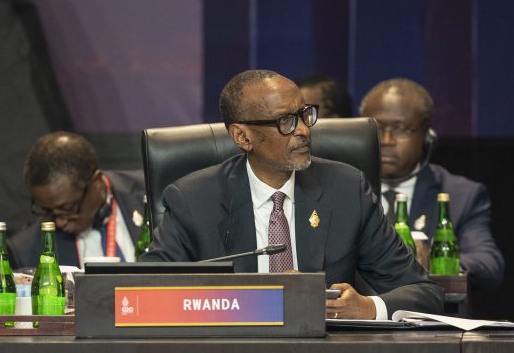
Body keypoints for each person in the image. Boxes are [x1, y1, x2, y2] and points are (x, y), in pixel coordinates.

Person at [142, 69, 443, 319]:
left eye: (304, 114)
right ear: (242, 136)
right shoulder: (194, 199)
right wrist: (255, 305)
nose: (304, 131)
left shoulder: (347, 190)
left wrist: (368, 307)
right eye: (285, 121)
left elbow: (425, 293)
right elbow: (144, 295)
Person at [359, 78, 505, 289]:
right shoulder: (340, 187)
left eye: (401, 129)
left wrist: (433, 262)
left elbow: (488, 264)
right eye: (377, 128)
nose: (387, 140)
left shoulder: (460, 195)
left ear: (427, 136)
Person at [8, 132, 145, 268]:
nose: (60, 222)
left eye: (68, 208)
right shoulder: (26, 253)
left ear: (96, 182)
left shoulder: (151, 193)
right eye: (47, 211)